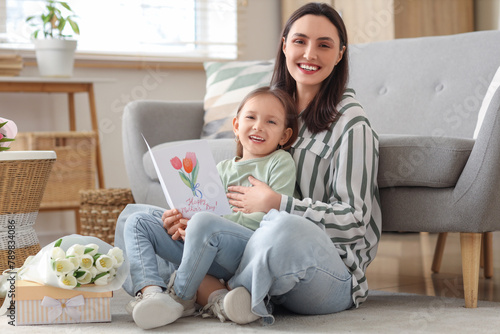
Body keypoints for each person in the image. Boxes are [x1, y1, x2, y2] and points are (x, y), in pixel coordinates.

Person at [194, 2, 382, 325]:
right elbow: (236, 188)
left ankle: (221, 292)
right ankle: (220, 295)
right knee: (143, 219)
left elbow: (355, 222)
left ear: (339, 55)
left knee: (282, 227)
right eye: (300, 41)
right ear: (284, 46)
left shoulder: (352, 125)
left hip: (329, 276)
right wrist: (193, 220)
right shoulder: (270, 112)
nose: (310, 54)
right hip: (258, 249)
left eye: (324, 45)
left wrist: (278, 204)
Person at [120, 86, 298, 329]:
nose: (258, 126)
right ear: (236, 126)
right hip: (205, 247)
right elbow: (203, 211)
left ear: (284, 136)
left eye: (271, 121)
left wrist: (207, 222)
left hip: (243, 249)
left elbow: (275, 222)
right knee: (137, 219)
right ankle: (151, 294)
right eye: (251, 117)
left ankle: (180, 297)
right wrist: (181, 220)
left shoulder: (279, 162)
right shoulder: (222, 168)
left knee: (204, 222)